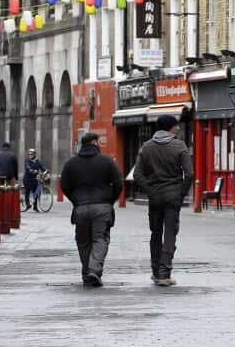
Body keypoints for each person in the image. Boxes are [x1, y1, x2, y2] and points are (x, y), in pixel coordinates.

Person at [133, 114, 193, 286]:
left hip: (155, 196)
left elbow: (137, 174)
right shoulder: (179, 145)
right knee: (170, 233)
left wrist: (150, 189)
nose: (178, 128)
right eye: (176, 126)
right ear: (169, 127)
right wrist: (181, 192)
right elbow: (189, 173)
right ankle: (164, 272)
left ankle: (155, 271)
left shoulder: (147, 147)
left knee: (156, 233)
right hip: (173, 195)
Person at [60, 132, 123, 287]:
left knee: (83, 241)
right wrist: (110, 200)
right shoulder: (107, 161)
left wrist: (75, 200)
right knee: (100, 238)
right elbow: (118, 183)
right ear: (95, 143)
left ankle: (87, 272)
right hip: (102, 206)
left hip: (80, 207)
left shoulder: (71, 163)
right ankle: (94, 270)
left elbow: (64, 186)